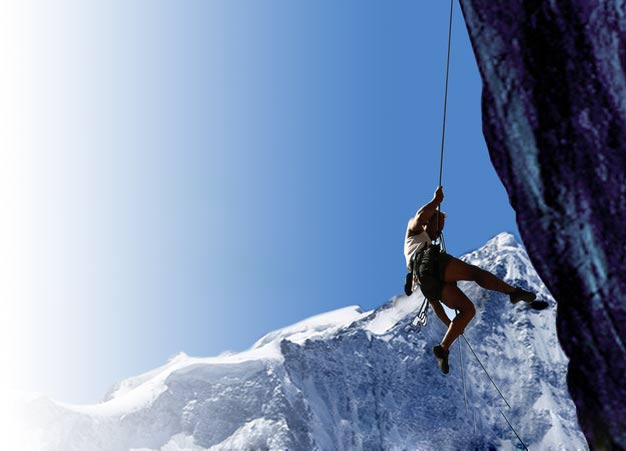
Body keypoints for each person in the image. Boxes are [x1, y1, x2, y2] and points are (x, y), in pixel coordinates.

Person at [405, 186, 536, 374]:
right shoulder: (415, 232)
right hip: (429, 263)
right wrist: (436, 201)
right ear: (429, 222)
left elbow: (435, 304)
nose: (440, 231)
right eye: (439, 225)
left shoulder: (419, 244)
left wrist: (454, 327)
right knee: (474, 273)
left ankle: (443, 349)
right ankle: (513, 292)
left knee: (468, 310)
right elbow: (420, 215)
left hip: (426, 282)